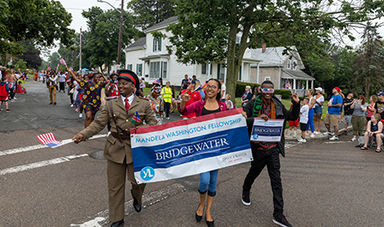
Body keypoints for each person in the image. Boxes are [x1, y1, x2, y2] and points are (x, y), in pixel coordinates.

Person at [72, 70, 158, 227]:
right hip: (115, 149)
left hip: (136, 149)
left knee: (139, 181)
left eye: (124, 84)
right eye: (119, 83)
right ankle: (117, 219)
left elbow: (154, 124)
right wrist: (82, 135)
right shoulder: (111, 104)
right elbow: (98, 124)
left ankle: (137, 196)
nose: (120, 86)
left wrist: (139, 128)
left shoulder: (144, 104)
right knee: (115, 187)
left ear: (133, 86)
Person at [241, 80, 300, 227]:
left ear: (273, 91)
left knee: (276, 182)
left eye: (271, 90)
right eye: (265, 89)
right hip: (258, 148)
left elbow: (291, 117)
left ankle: (278, 214)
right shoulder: (252, 104)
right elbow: (242, 121)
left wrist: (296, 104)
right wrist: (256, 119)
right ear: (261, 90)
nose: (268, 92)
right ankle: (246, 189)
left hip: (273, 149)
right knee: (253, 173)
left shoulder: (278, 104)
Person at [179, 78, 227, 227]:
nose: (210, 89)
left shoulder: (223, 106)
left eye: (214, 87)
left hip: (217, 150)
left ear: (219, 90)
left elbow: (232, 120)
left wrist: (242, 114)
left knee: (213, 183)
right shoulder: (200, 104)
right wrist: (183, 101)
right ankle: (201, 204)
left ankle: (208, 211)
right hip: (201, 149)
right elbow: (183, 111)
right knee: (204, 180)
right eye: (208, 87)